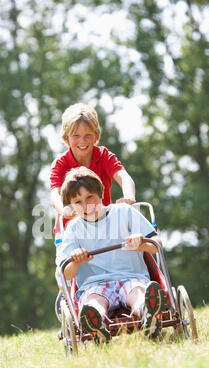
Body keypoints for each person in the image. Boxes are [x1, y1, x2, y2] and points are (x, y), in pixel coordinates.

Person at [57, 167, 167, 343]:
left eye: (90, 197)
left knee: (138, 292)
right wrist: (75, 262)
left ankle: (148, 313)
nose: (86, 206)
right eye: (77, 202)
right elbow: (66, 274)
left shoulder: (124, 212)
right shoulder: (74, 229)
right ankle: (96, 323)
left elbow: (157, 245)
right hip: (95, 284)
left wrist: (142, 243)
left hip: (131, 277)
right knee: (94, 300)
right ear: (71, 206)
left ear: (100, 193)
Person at [50, 103, 136, 250]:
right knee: (74, 263)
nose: (82, 141)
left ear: (96, 136)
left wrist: (129, 196)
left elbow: (123, 176)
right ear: (66, 138)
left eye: (87, 135)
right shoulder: (61, 163)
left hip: (102, 224)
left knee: (129, 246)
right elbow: (54, 194)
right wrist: (64, 209)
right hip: (73, 228)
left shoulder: (103, 156)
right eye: (76, 136)